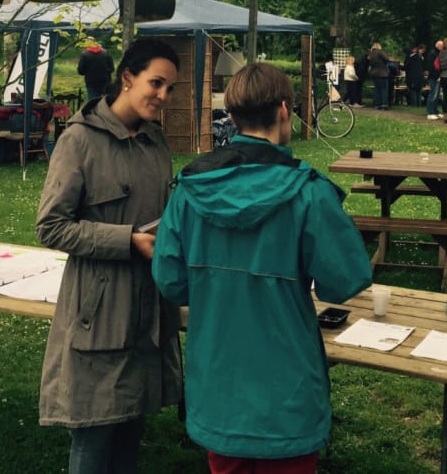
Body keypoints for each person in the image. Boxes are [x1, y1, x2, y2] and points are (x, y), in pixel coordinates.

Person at [152, 62, 372, 474]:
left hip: (219, 384)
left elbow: (171, 281)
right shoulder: (310, 192)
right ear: (285, 110)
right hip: (286, 390)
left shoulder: (189, 190)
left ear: (231, 118)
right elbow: (344, 281)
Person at [37, 38, 183, 474]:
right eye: (156, 83)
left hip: (148, 306)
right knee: (95, 431)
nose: (163, 96)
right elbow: (51, 226)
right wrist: (128, 241)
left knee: (130, 427)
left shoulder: (156, 141)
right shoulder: (78, 141)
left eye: (170, 88)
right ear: (126, 78)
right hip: (98, 313)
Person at [77, 36, 115, 101]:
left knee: (93, 103)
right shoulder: (105, 53)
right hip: (105, 82)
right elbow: (112, 69)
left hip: (91, 83)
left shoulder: (85, 54)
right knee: (105, 102)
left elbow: (80, 71)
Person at [368, 42, 391, 109]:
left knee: (377, 89)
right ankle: (384, 104)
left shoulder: (371, 54)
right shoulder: (380, 52)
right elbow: (387, 59)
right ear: (379, 47)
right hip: (382, 73)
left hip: (374, 73)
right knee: (384, 89)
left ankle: (377, 104)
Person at [426, 39, 444, 119]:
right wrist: (437, 76)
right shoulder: (432, 54)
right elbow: (431, 67)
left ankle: (435, 111)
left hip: (438, 77)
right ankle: (430, 112)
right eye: (442, 46)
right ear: (438, 46)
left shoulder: (438, 53)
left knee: (437, 95)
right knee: (433, 94)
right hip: (434, 77)